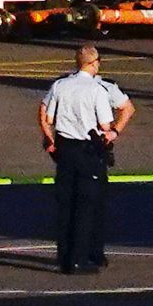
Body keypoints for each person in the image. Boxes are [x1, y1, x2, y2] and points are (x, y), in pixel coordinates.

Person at [36, 39, 133, 274]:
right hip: (87, 150)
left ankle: (64, 256)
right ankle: (80, 258)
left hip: (65, 149)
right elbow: (105, 124)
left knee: (66, 204)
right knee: (86, 206)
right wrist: (113, 132)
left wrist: (50, 139)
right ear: (94, 63)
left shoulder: (60, 85)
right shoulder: (97, 89)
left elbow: (47, 118)